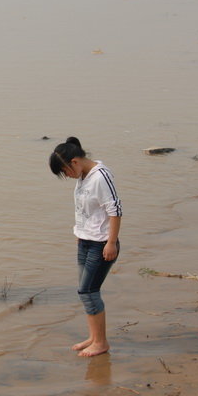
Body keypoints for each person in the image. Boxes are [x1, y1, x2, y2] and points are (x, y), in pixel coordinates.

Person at [49, 137, 122, 358]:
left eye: (65, 171)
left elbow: (115, 210)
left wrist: (111, 242)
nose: (67, 176)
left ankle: (101, 342)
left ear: (75, 161)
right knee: (85, 292)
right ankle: (94, 337)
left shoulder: (101, 176)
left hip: (101, 244)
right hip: (85, 240)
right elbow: (85, 210)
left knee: (88, 291)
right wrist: (80, 234)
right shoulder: (83, 176)